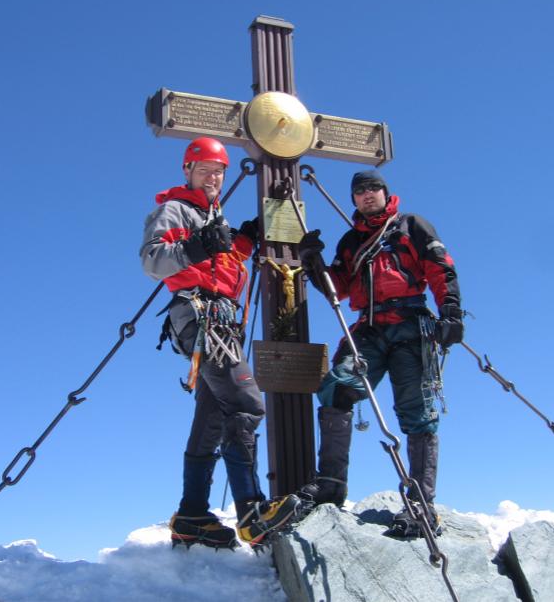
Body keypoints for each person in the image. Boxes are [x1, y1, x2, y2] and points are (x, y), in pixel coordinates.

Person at [140, 136, 300, 549]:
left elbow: (223, 262)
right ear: (187, 171)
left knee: (212, 416)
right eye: (205, 170)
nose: (212, 178)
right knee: (247, 404)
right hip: (202, 316)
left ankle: (192, 514)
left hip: (219, 319)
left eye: (218, 172)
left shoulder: (211, 215)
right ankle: (250, 511)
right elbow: (153, 260)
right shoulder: (174, 209)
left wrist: (244, 239)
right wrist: (199, 244)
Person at [296, 169, 463, 537]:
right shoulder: (350, 242)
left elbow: (439, 268)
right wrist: (313, 263)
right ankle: (331, 484)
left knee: (417, 412)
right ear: (354, 199)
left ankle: (420, 503)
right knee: (338, 387)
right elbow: (338, 288)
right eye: (360, 191)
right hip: (369, 328)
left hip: (410, 325)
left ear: (386, 193)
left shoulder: (411, 226)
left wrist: (450, 310)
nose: (367, 194)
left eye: (374, 188)